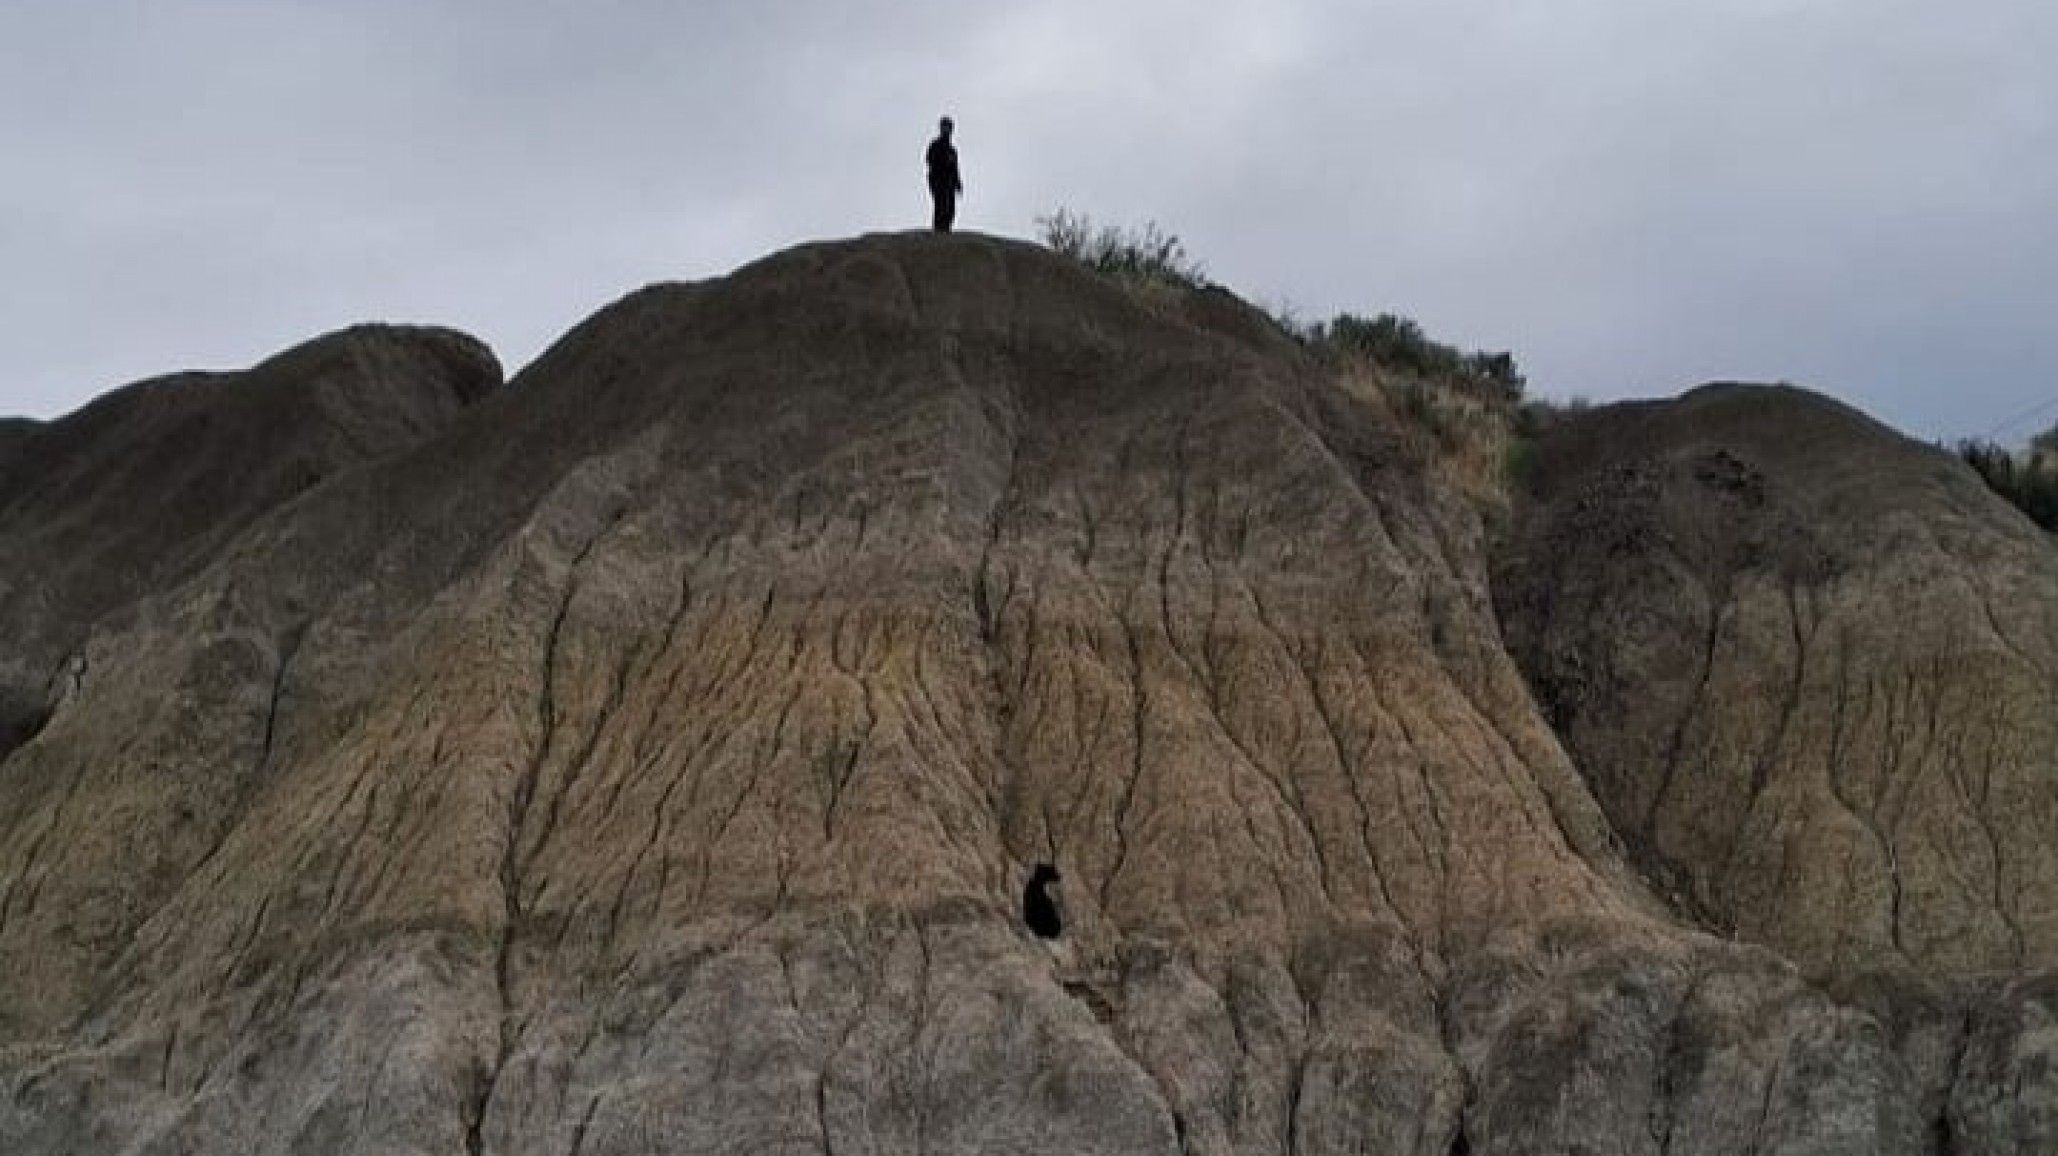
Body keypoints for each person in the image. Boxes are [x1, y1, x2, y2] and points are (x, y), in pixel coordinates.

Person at [926, 116, 963, 233]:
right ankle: (938, 230)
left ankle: (946, 229)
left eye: (949, 128)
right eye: (944, 127)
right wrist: (943, 162)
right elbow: (929, 160)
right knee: (941, 204)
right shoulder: (935, 145)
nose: (947, 130)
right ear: (941, 129)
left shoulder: (952, 150)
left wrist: (958, 183)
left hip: (950, 182)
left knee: (950, 207)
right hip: (938, 180)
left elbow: (955, 168)